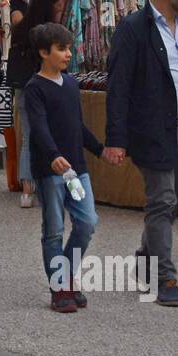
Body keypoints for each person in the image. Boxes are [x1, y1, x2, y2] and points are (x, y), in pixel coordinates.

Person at [104, 0, 178, 307]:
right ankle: (165, 276)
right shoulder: (134, 29)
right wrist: (116, 138)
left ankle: (145, 257)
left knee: (173, 203)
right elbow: (118, 87)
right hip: (153, 130)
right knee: (162, 200)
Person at [24, 22, 104, 314]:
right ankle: (60, 288)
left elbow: (77, 125)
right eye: (61, 48)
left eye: (69, 48)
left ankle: (66, 276)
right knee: (54, 229)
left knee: (87, 222)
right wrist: (52, 155)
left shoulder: (71, 83)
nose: (68, 53)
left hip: (75, 170)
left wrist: (99, 149)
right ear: (44, 53)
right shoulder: (35, 88)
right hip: (51, 170)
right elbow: (39, 127)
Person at [7, 0, 63, 209]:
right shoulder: (49, 32)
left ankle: (27, 191)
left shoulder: (22, 29)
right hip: (44, 89)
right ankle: (41, 188)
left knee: (29, 138)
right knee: (45, 138)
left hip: (22, 88)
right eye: (58, 3)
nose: (60, 7)